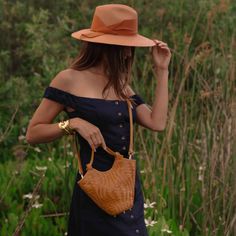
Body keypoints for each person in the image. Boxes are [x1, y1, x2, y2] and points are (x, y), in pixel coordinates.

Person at [26, 3, 171, 236]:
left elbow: (157, 122)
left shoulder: (121, 85)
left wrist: (162, 70)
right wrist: (72, 124)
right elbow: (33, 133)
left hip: (126, 189)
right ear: (103, 45)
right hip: (94, 190)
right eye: (124, 46)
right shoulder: (69, 79)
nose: (128, 52)